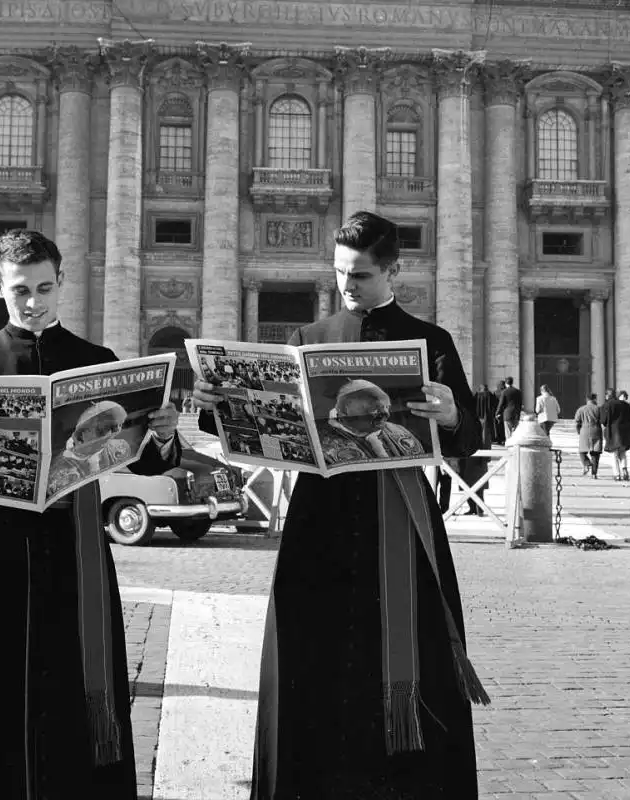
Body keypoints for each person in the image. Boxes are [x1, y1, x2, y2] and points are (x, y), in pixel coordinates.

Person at [193, 211, 488, 799]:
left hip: (398, 513)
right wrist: (212, 403)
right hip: (320, 516)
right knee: (312, 653)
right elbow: (266, 426)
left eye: (359, 275)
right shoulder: (308, 338)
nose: (346, 286)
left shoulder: (432, 342)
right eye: (338, 273)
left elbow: (469, 438)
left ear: (393, 271)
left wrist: (453, 416)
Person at [0, 230, 180, 799]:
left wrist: (165, 437)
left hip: (68, 542)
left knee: (67, 676)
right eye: (21, 290)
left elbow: (147, 463)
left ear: (61, 283)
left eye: (45, 288)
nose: (34, 302)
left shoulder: (98, 363)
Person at [315, 379, 425, 465]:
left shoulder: (399, 431)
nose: (386, 413)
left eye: (387, 407)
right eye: (375, 407)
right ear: (345, 408)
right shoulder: (318, 439)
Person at [599, 388, 630, 481]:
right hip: (625, 432)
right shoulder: (626, 405)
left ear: (607, 395)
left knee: (614, 454)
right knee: (622, 452)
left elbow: (603, 420)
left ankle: (617, 474)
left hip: (612, 432)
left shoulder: (606, 405)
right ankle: (624, 468)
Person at [574, 393, 602, 478]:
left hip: (584, 431)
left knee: (582, 451)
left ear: (587, 399)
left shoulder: (581, 409)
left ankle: (586, 463)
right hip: (596, 430)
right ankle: (594, 473)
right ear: (595, 399)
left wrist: (579, 431)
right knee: (595, 453)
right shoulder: (598, 409)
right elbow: (603, 420)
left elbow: (577, 421)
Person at [474, 383, 495, 450]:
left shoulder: (477, 394)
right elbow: (494, 404)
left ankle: (479, 445)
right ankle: (486, 446)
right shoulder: (490, 394)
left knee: (478, 431)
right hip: (487, 416)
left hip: (478, 416)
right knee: (487, 432)